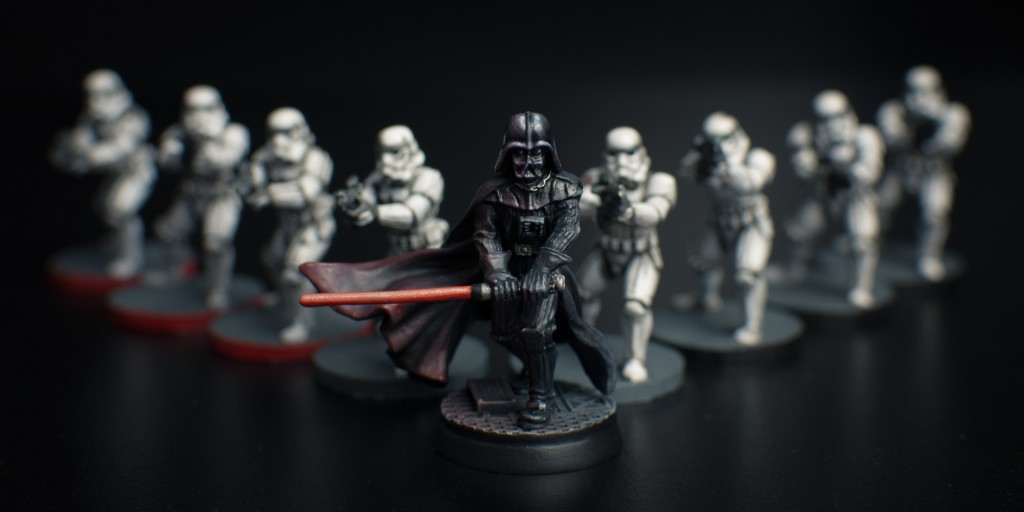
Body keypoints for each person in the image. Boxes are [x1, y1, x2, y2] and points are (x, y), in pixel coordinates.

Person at [301, 112, 615, 430]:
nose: (529, 163)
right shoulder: (494, 192)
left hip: (545, 274)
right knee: (505, 332)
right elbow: (486, 235)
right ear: (508, 153)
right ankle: (535, 370)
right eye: (521, 153)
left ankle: (541, 396)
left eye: (537, 153)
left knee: (536, 331)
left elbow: (566, 230)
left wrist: (541, 270)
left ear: (548, 153)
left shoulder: (565, 189)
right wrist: (497, 273)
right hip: (507, 270)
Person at [577, 126, 676, 382]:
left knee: (635, 308)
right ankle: (585, 344)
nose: (621, 161)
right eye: (614, 153)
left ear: (641, 153)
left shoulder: (658, 181)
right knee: (580, 295)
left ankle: (635, 359)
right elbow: (576, 204)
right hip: (607, 248)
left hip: (641, 252)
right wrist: (594, 202)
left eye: (629, 153)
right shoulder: (596, 177)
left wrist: (627, 210)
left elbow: (655, 213)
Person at [781, 90, 885, 308]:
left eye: (838, 117)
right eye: (825, 120)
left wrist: (845, 164)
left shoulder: (864, 136)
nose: (833, 125)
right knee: (799, 232)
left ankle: (861, 287)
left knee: (862, 242)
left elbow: (870, 173)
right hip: (823, 193)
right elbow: (800, 166)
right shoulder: (806, 134)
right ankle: (795, 270)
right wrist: (805, 161)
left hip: (855, 197)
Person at [50, 69, 156, 278]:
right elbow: (82, 138)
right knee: (103, 207)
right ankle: (118, 240)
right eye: (92, 95)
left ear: (117, 93)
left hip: (136, 171)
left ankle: (131, 258)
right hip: (114, 173)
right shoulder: (92, 117)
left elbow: (121, 148)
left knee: (121, 210)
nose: (96, 101)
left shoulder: (134, 117)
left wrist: (88, 156)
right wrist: (72, 153)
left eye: (103, 94)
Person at [680, 112, 775, 343]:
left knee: (748, 275)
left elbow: (751, 183)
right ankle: (705, 300)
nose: (718, 144)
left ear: (736, 136)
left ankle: (752, 327)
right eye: (712, 139)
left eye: (723, 138)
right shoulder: (706, 157)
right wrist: (700, 160)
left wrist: (729, 165)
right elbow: (685, 174)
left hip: (751, 222)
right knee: (703, 263)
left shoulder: (757, 157)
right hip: (720, 218)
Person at [155, 85, 250, 309]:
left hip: (222, 195)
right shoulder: (181, 132)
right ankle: (179, 268)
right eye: (192, 110)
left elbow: (225, 161)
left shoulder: (233, 133)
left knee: (216, 244)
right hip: (192, 193)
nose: (199, 116)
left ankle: (218, 290)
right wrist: (170, 151)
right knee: (168, 232)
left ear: (218, 109)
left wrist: (208, 140)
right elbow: (166, 162)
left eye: (206, 109)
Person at [245, 108, 335, 342]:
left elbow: (306, 193)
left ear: (299, 132)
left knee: (296, 273)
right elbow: (256, 164)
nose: (279, 139)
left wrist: (268, 194)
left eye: (285, 132)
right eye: (274, 132)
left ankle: (302, 324)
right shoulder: (272, 154)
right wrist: (253, 180)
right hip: (288, 226)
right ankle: (285, 299)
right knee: (272, 259)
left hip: (313, 226)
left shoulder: (316, 158)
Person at [876, 65, 971, 281]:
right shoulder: (893, 111)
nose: (919, 98)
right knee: (882, 207)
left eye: (926, 91)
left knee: (934, 214)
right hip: (902, 168)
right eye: (914, 91)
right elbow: (892, 140)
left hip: (934, 171)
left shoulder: (953, 113)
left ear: (938, 92)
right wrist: (911, 122)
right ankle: (872, 243)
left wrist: (934, 121)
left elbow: (950, 144)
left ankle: (928, 256)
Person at [337, 125, 448, 255]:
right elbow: (366, 205)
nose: (386, 160)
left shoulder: (429, 176)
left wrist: (375, 211)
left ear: (410, 150)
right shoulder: (379, 178)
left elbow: (412, 214)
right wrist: (354, 207)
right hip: (398, 249)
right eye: (381, 153)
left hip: (429, 246)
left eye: (395, 152)